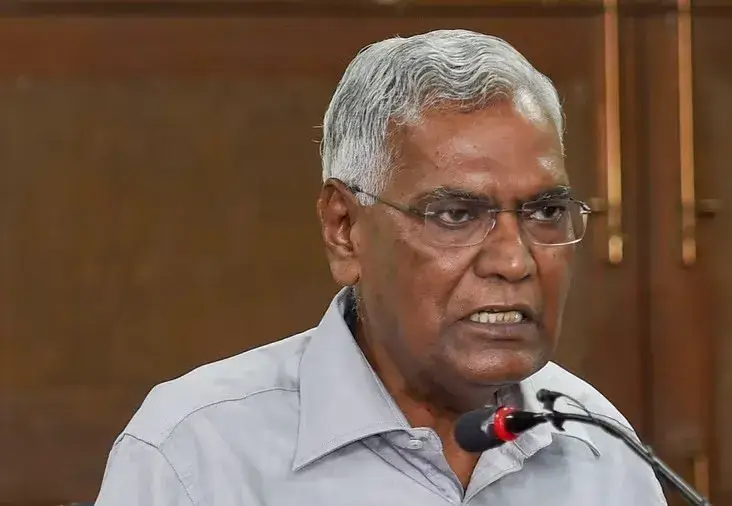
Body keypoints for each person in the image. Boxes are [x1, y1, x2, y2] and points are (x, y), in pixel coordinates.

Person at [94, 29, 667, 505]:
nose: (514, 260)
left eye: (545, 212)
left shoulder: (599, 450)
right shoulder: (197, 456)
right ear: (344, 229)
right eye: (456, 214)